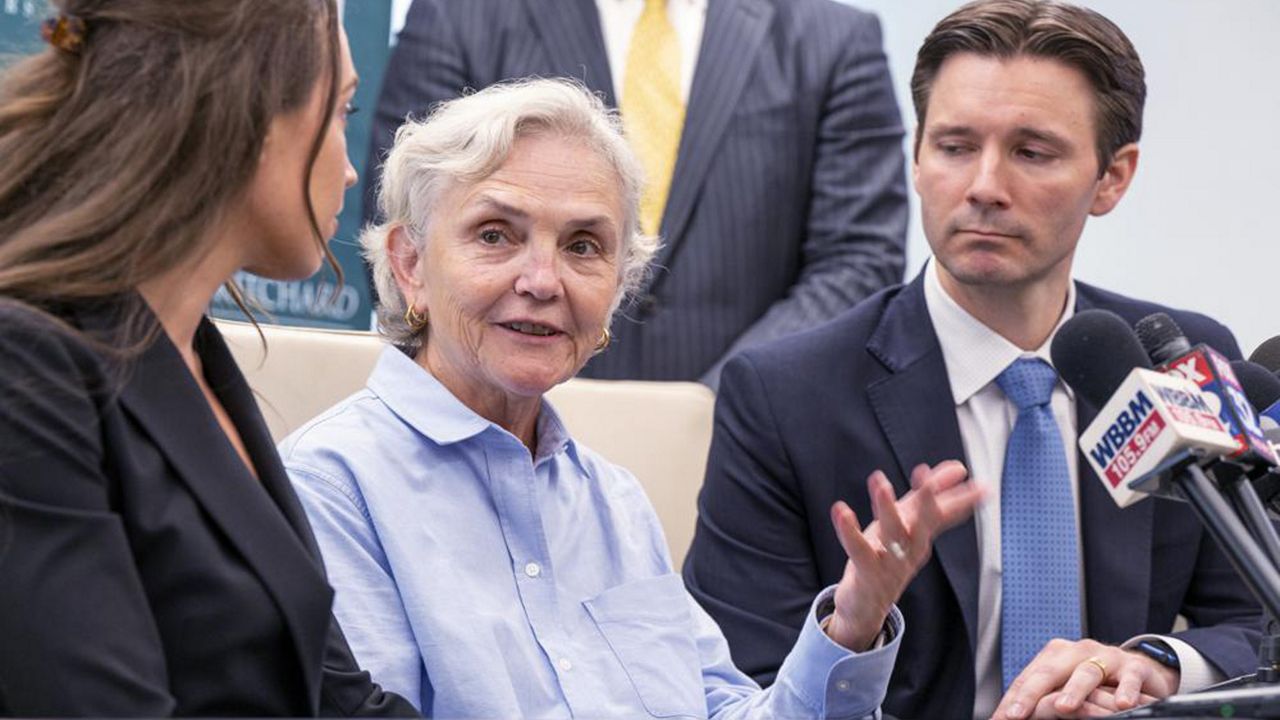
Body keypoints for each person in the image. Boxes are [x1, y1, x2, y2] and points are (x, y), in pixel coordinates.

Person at [281, 78, 983, 719]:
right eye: (495, 235)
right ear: (410, 265)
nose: (542, 279)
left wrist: (852, 623)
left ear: (619, 289)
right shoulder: (327, 488)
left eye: (584, 246)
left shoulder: (615, 503)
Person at [681, 1, 1265, 718]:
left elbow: (1262, 618)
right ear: (918, 159)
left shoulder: (1172, 363)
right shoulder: (783, 396)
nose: (984, 186)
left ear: (1112, 178)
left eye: (1031, 152)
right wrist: (852, 627)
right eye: (955, 146)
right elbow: (735, 686)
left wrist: (1157, 668)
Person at [0, 1, 417, 716]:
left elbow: (339, 699)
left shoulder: (198, 357)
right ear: (254, 118)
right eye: (343, 110)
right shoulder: (27, 369)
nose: (351, 172)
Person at [366, 0, 909, 387]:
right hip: (491, 423)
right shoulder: (462, 16)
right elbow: (408, 219)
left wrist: (724, 401)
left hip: (740, 455)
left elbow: (857, 261)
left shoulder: (832, 41)